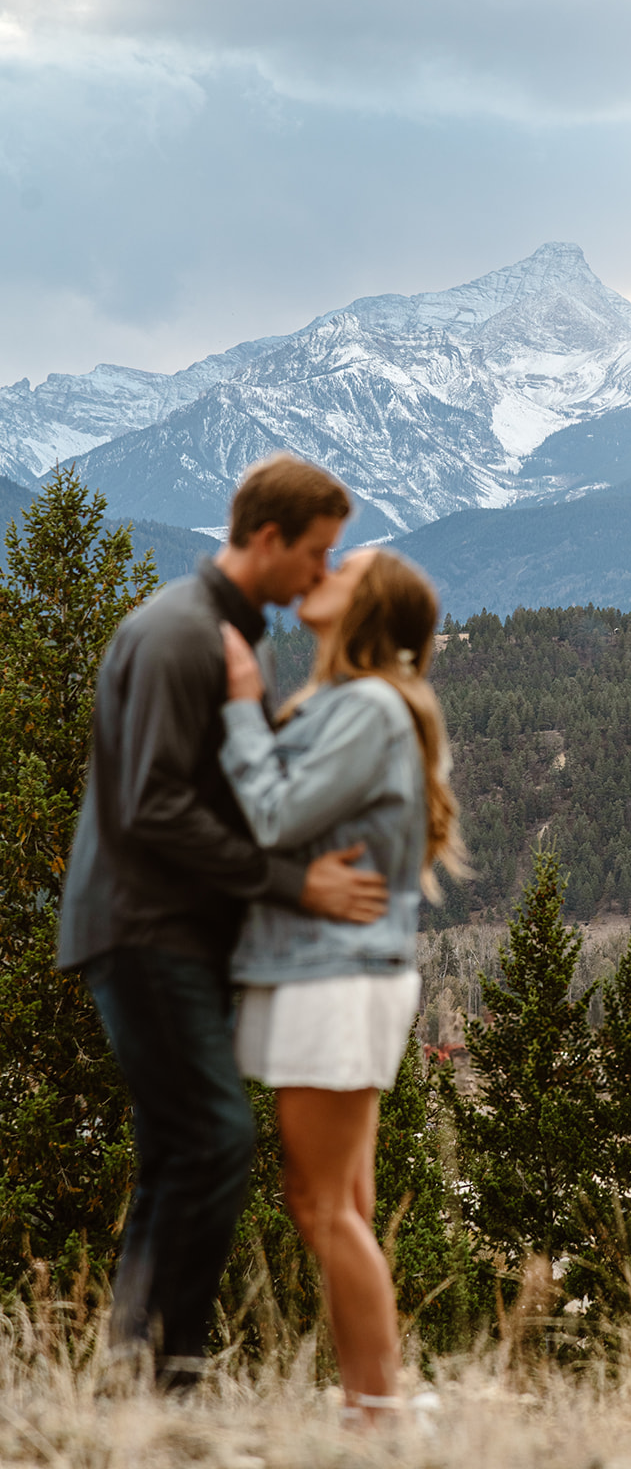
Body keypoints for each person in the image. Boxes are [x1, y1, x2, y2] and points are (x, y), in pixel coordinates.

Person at [57, 454, 389, 1388]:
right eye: (318, 552)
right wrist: (294, 885)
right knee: (213, 1137)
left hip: (174, 928)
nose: (323, 573)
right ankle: (172, 1376)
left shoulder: (231, 638)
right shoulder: (181, 635)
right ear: (269, 538)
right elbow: (153, 805)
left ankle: (139, 1380)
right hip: (141, 924)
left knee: (176, 1152)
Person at [217, 544, 464, 1425]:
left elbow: (276, 814)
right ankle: (373, 1397)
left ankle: (378, 1408)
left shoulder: (363, 706)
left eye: (346, 566)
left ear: (368, 607)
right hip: (338, 969)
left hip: (336, 972)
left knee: (318, 1201)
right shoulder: (352, 702)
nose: (323, 566)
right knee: (342, 1200)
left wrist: (242, 706)